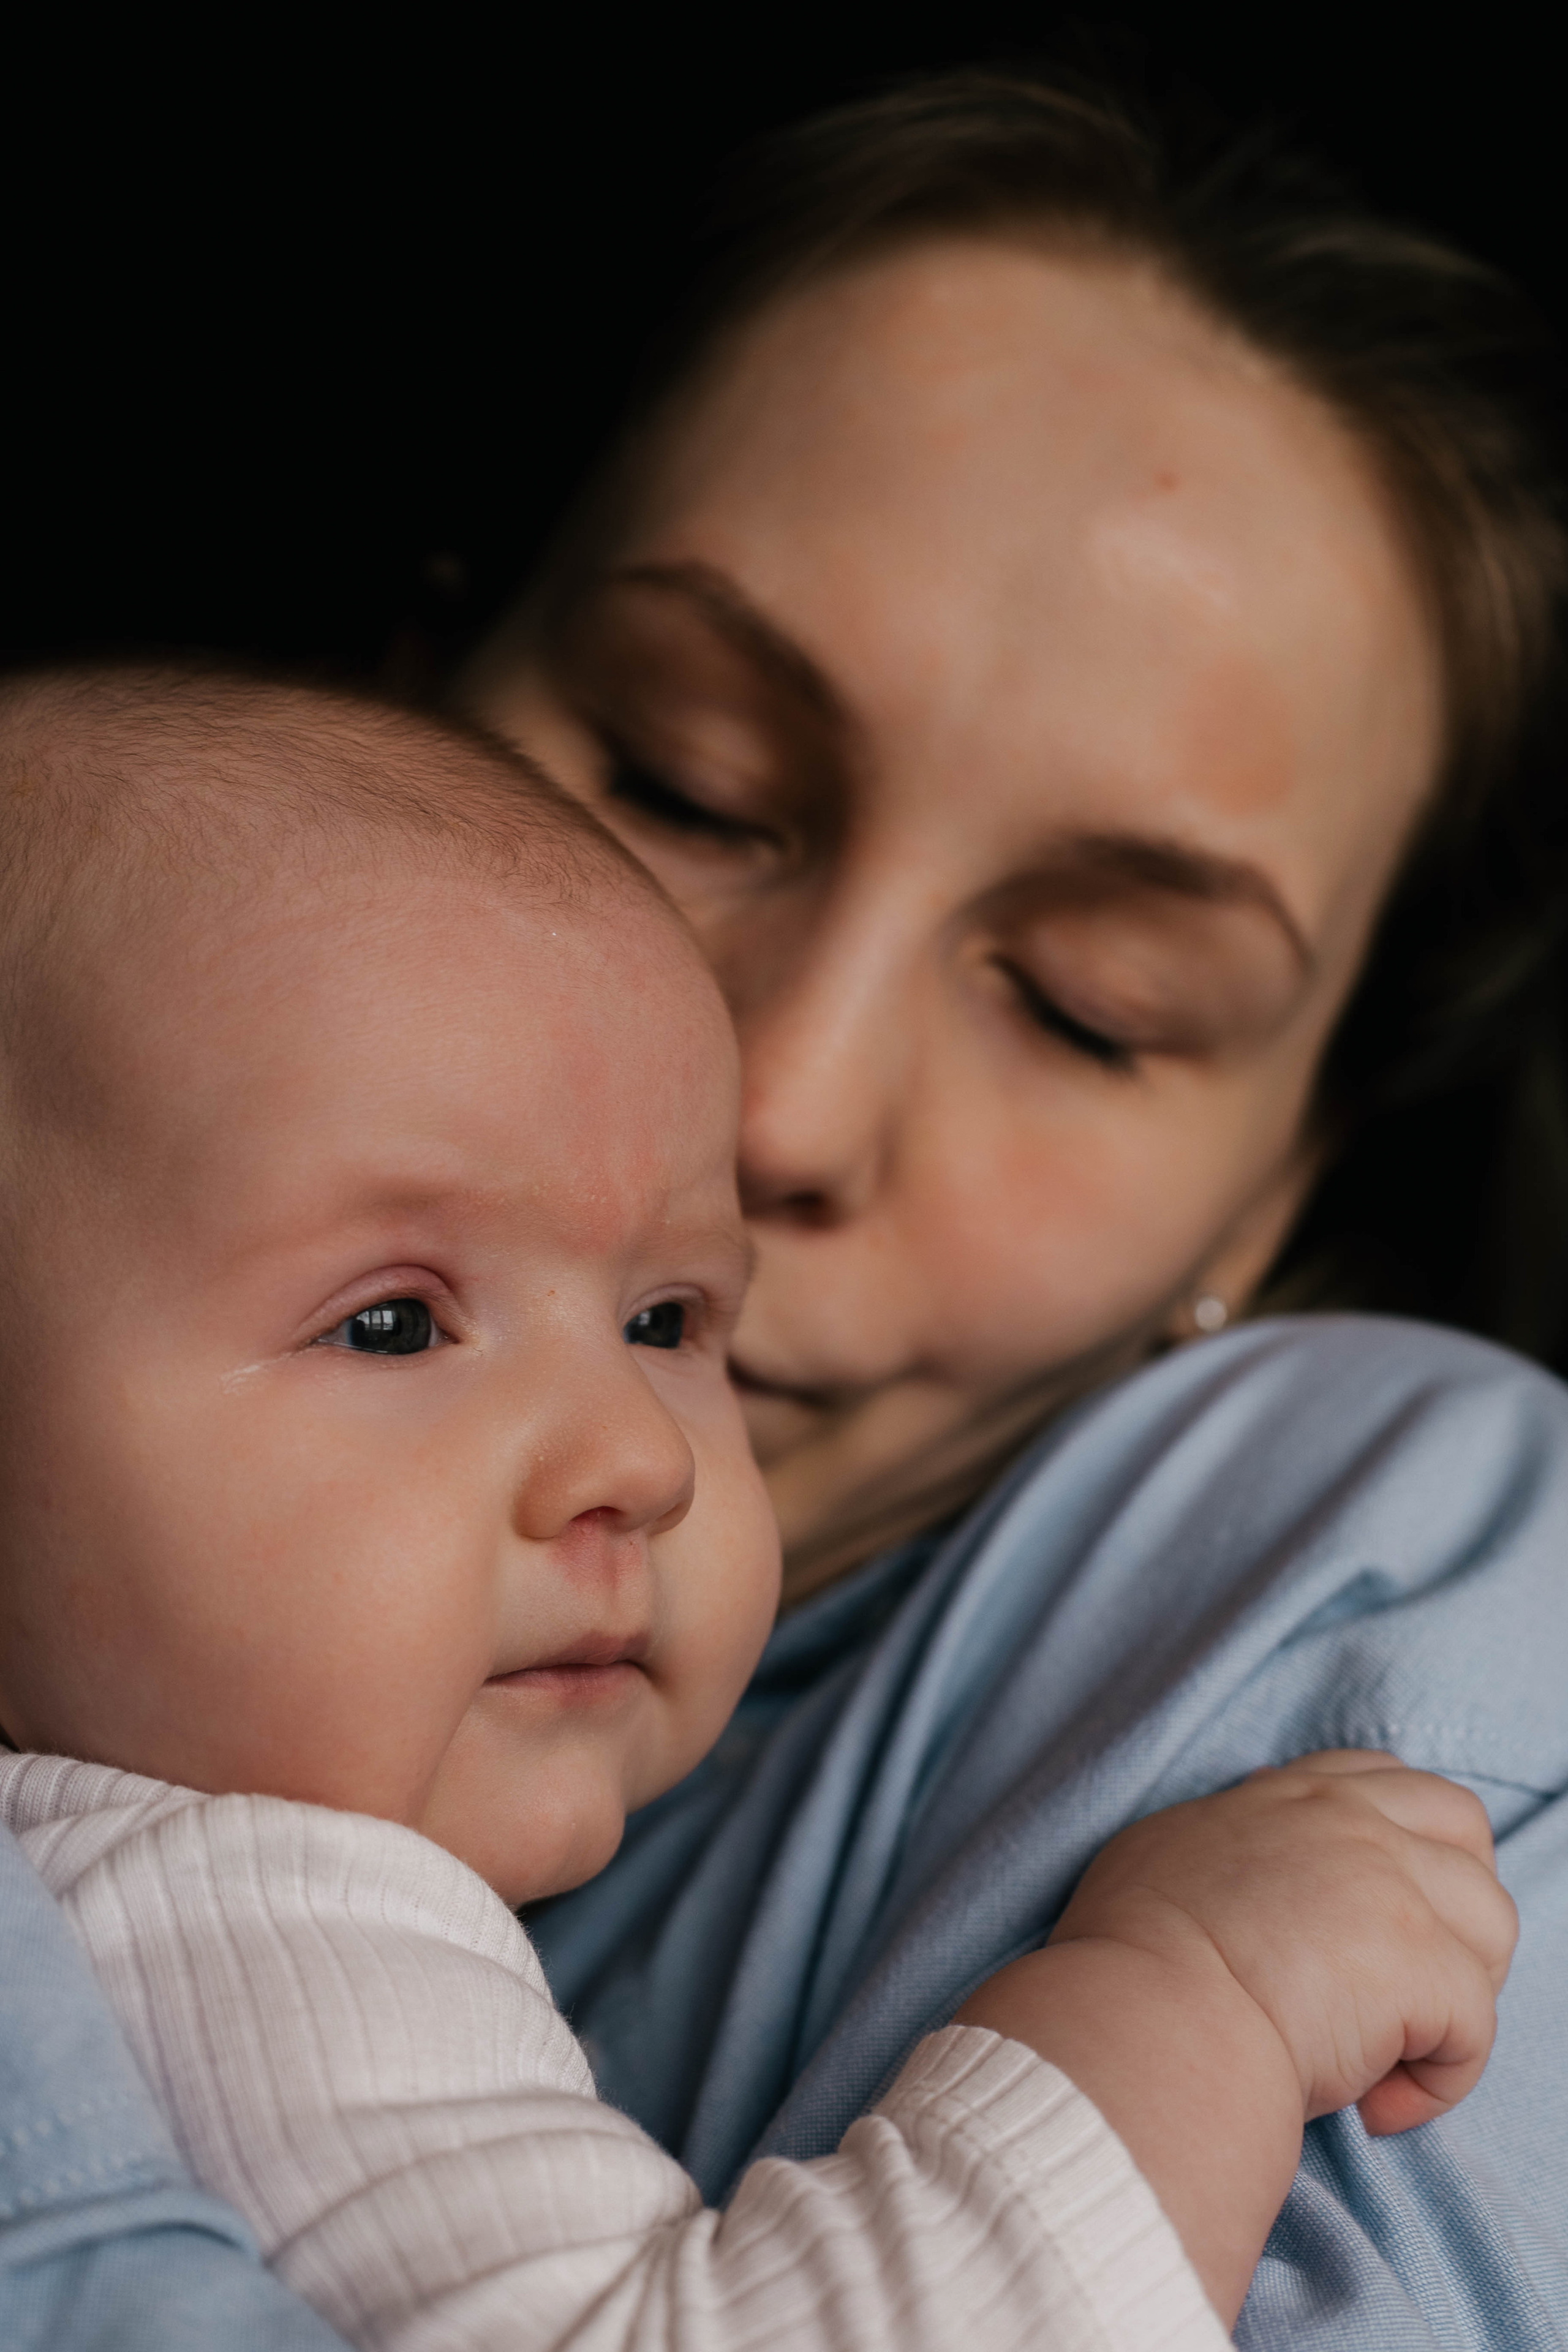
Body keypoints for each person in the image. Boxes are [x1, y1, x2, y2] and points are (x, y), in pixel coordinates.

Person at [448, 68, 1568, 2348]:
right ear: (392, 697)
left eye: (1088, 1007)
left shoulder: (1393, 1569)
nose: (784, 1096)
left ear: (1277, 1184)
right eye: (686, 782)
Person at [0, 664, 1513, 2351]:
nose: (642, 1464)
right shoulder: (251, 1923)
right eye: (392, 1322)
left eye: (667, 1323)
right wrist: (1199, 1997)